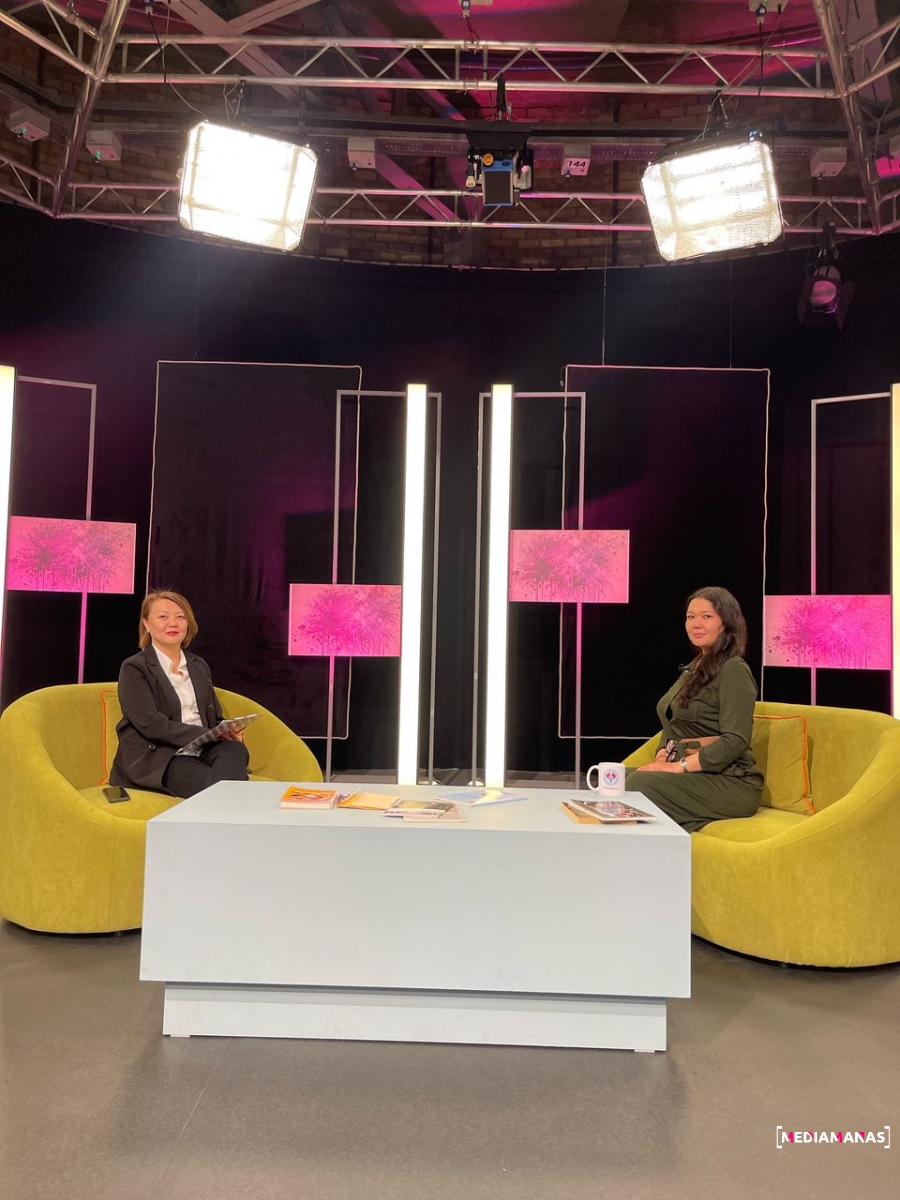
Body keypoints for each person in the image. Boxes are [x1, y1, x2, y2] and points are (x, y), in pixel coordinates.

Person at [626, 586, 763, 832]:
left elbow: (736, 740)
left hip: (731, 781)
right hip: (695, 773)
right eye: (691, 617)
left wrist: (677, 767)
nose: (696, 624)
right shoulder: (695, 667)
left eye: (706, 616)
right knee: (612, 779)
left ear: (726, 623)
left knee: (638, 784)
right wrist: (662, 754)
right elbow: (674, 722)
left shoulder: (734, 670)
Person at [110, 590, 249, 799]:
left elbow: (213, 717)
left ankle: (226, 800)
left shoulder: (198, 665)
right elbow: (152, 725)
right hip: (160, 755)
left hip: (202, 748)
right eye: (163, 617)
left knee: (235, 750)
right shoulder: (134, 667)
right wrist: (207, 734)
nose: (173, 623)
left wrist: (226, 731)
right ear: (146, 624)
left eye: (180, 617)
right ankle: (231, 800)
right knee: (225, 787)